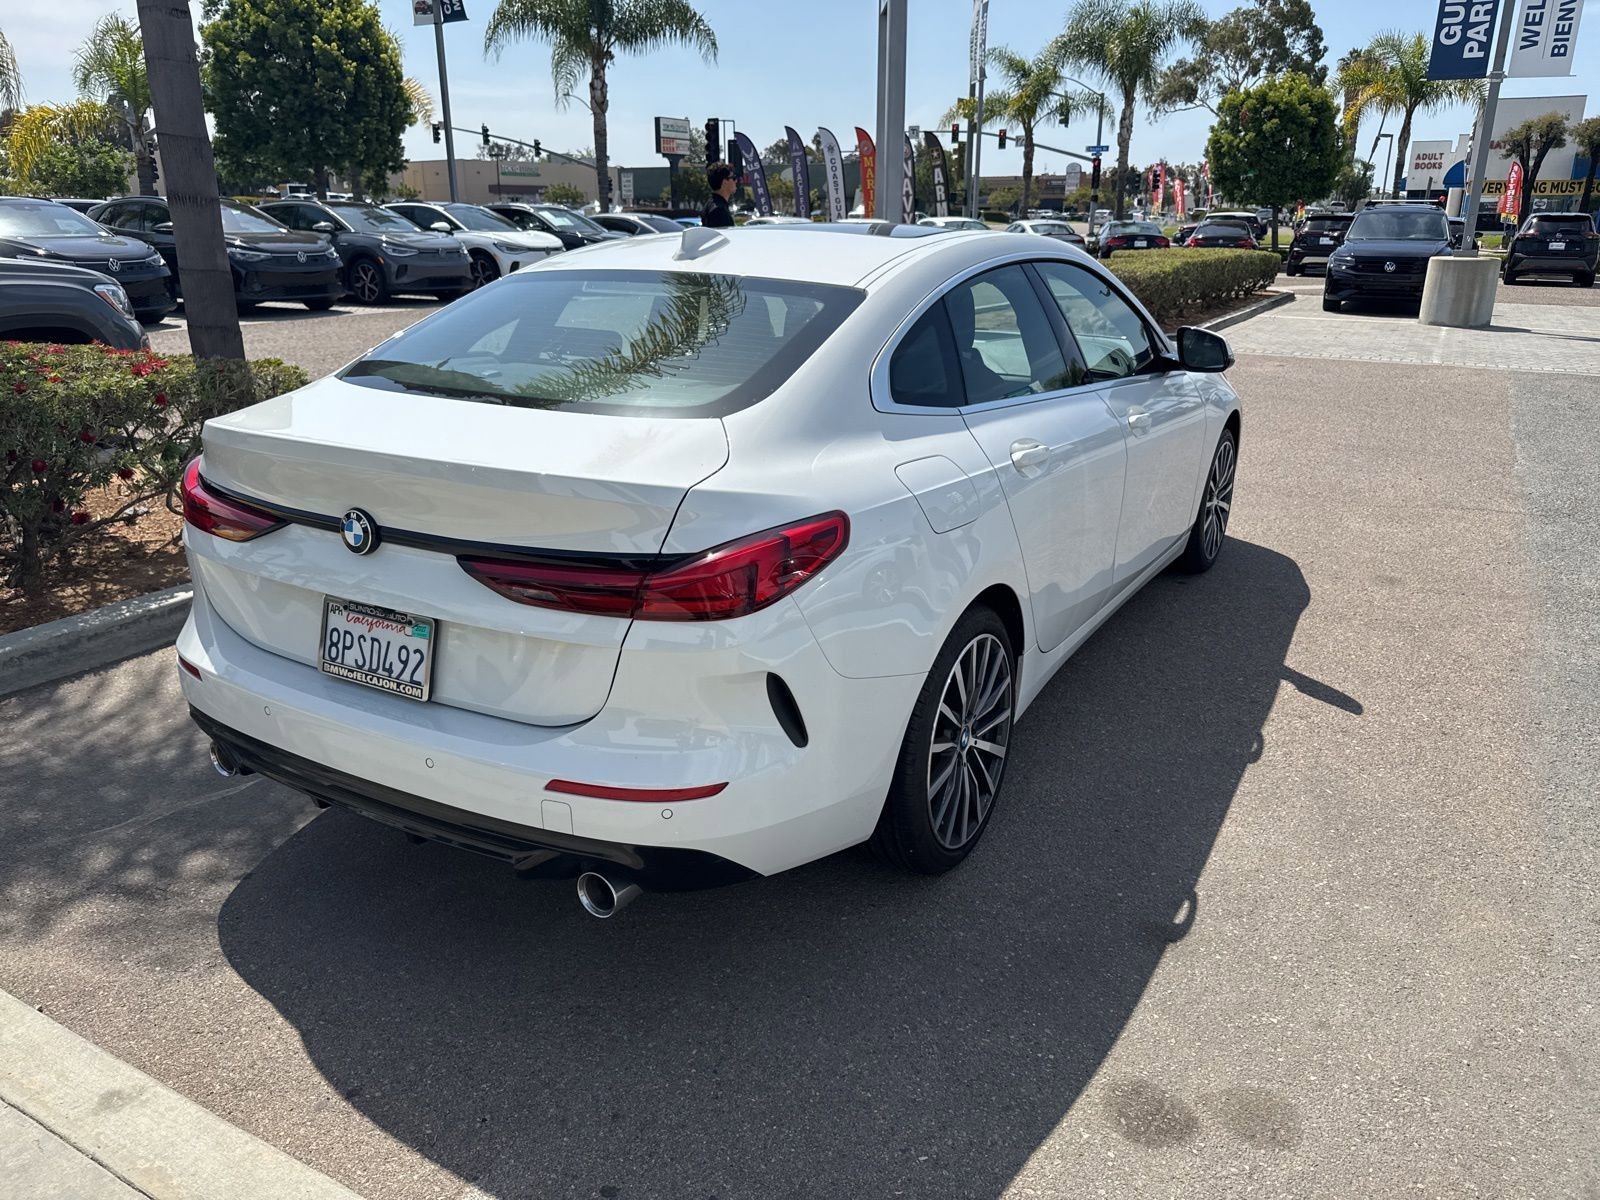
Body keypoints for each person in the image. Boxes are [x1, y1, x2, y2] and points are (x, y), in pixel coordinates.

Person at [701, 162, 736, 228]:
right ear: (724, 182)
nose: (736, 181)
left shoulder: (710, 204)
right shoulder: (719, 210)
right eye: (733, 178)